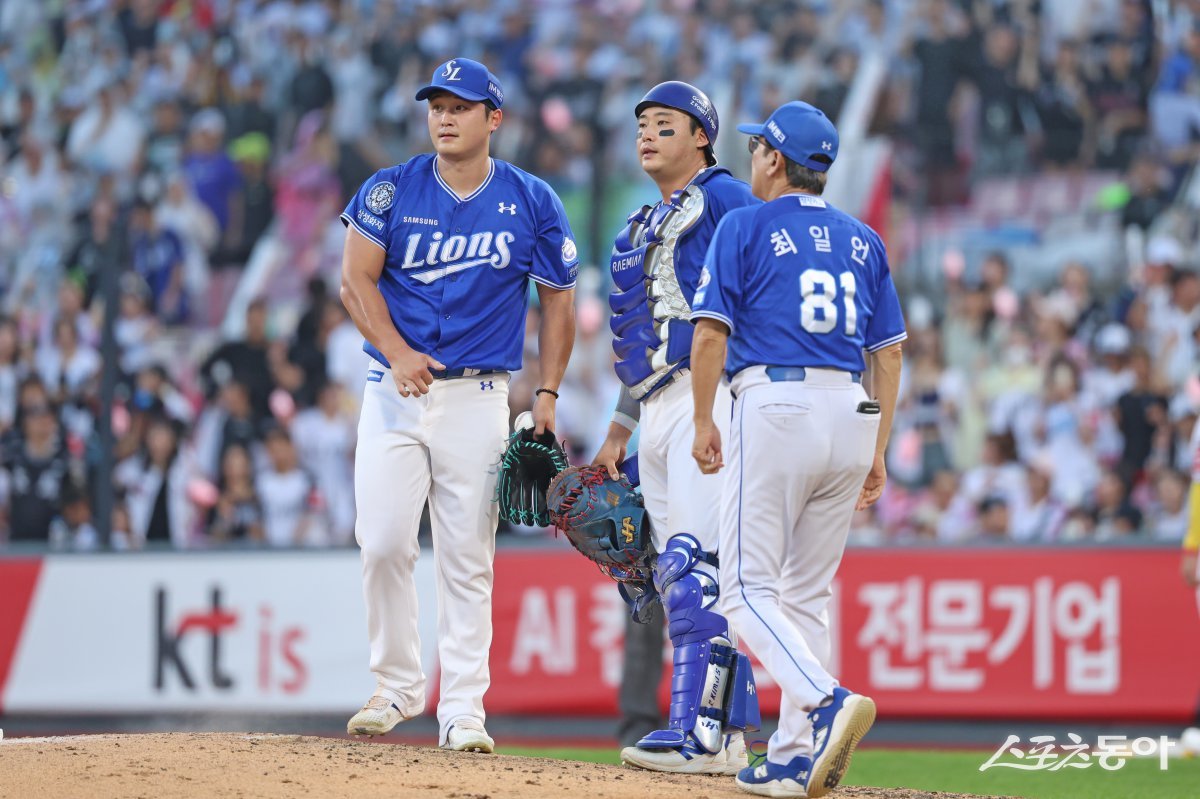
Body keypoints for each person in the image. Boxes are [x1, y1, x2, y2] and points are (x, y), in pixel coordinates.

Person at [339, 58, 577, 753]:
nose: (444, 116)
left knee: (467, 556)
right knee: (382, 540)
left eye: (460, 106)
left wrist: (549, 392)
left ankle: (464, 706)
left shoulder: (531, 199)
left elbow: (558, 299)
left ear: (493, 118)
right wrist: (395, 347)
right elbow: (355, 279)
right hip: (394, 389)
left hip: (480, 393)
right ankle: (398, 684)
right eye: (436, 104)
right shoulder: (391, 188)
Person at [689, 101, 905, 797]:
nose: (752, 156)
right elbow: (890, 355)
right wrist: (878, 446)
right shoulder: (865, 239)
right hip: (850, 405)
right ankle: (790, 755)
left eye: (758, 148)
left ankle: (825, 698)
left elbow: (709, 335)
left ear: (775, 160)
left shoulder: (744, 224)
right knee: (806, 595)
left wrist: (701, 419)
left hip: (775, 399)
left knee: (745, 590)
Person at [590, 81, 759, 775]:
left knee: (697, 571)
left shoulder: (725, 197)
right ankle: (723, 734)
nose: (648, 133)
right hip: (657, 406)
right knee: (670, 575)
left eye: (666, 123)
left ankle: (702, 732)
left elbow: (754, 289)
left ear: (702, 137)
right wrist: (618, 429)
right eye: (642, 124)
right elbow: (646, 341)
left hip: (707, 398)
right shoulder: (641, 221)